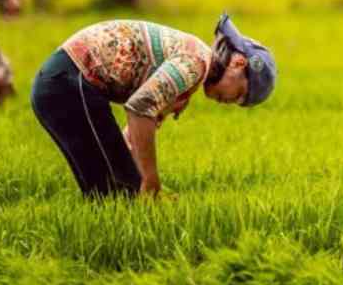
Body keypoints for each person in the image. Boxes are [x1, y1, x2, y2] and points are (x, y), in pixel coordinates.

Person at [31, 15, 276, 197]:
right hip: (69, 84)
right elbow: (140, 108)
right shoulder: (195, 62)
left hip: (58, 87)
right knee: (123, 191)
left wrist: (143, 181)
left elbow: (132, 137)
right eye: (239, 94)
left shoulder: (185, 84)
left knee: (109, 195)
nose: (230, 102)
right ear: (238, 63)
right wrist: (150, 181)